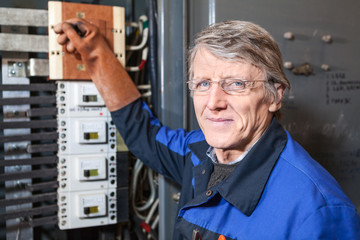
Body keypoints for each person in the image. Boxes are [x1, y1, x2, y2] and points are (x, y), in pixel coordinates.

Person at [54, 19, 360, 240]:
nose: (213, 103)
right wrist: (96, 56)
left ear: (274, 96)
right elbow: (143, 135)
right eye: (203, 84)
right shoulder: (198, 153)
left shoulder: (317, 210)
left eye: (236, 84)